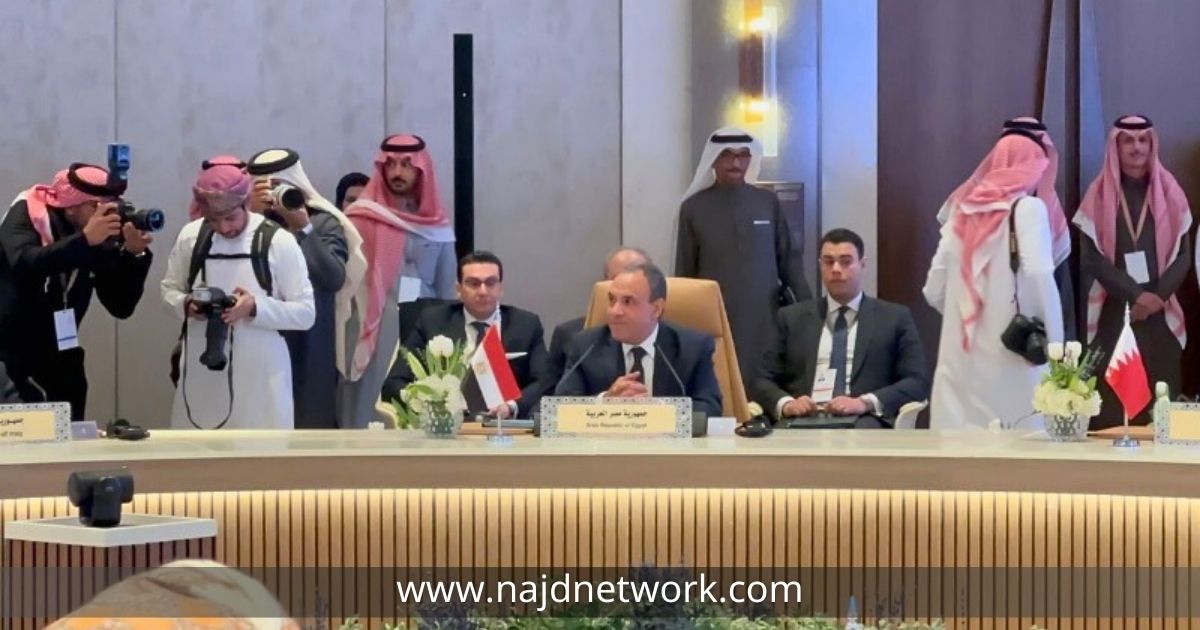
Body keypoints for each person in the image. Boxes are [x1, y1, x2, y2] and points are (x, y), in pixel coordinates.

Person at [923, 131, 1063, 428]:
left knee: (961, 454)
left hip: (959, 365)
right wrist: (1056, 344)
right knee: (1020, 452)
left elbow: (933, 290)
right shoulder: (1029, 209)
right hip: (1013, 360)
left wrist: (967, 318)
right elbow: (1039, 274)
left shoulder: (961, 211)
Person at [161, 163, 315, 429]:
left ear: (246, 203)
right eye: (213, 220)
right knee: (197, 449)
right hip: (201, 374)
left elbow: (306, 313)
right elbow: (168, 289)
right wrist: (186, 304)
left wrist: (255, 307)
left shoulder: (278, 241)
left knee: (259, 452)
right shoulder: (191, 237)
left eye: (230, 218)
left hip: (261, 378)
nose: (223, 227)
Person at [0, 163, 153, 420]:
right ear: (70, 206)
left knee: (69, 429)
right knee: (24, 434)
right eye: (97, 206)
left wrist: (134, 254)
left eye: (113, 205)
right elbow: (25, 263)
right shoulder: (27, 212)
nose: (108, 214)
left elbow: (120, 304)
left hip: (62, 351)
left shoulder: (102, 231)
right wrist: (85, 241)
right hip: (12, 350)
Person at [1075, 115, 1192, 428]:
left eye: (1143, 140)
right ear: (1116, 146)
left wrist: (1156, 298)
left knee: (1163, 393)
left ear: (1152, 145)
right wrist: (1136, 295)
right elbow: (1091, 257)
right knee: (1114, 404)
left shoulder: (1170, 191)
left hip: (1160, 313)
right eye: (1128, 140)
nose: (1136, 147)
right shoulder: (1098, 194)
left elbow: (1184, 257)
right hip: (1116, 311)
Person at [754, 229, 929, 428]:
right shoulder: (791, 318)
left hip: (864, 419)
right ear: (820, 265)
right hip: (802, 418)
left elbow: (917, 381)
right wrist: (787, 404)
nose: (836, 269)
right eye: (828, 262)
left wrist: (865, 402)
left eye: (846, 262)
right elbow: (762, 379)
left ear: (862, 264)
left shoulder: (894, 318)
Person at [675, 127, 810, 383]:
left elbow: (790, 262)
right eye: (727, 155)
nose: (735, 163)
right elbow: (685, 272)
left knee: (764, 382)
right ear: (713, 159)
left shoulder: (767, 202)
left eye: (742, 155)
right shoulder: (693, 208)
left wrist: (808, 312)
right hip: (715, 317)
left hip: (764, 316)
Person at [341, 134, 457, 427]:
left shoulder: (438, 226)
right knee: (366, 406)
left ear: (421, 170)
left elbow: (446, 289)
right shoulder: (359, 218)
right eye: (390, 164)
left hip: (422, 327)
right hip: (372, 327)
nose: (397, 173)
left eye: (406, 165)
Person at [247, 148, 367, 429]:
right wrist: (251, 215)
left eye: (280, 186)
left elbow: (333, 278)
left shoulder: (323, 221)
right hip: (256, 337)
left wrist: (303, 228)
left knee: (308, 424)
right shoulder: (244, 224)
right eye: (267, 188)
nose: (274, 195)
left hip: (310, 344)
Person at [937, 117, 1076, 339]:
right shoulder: (1033, 211)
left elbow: (1060, 289)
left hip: (1004, 336)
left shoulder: (966, 208)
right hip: (1014, 338)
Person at [382, 251, 548, 419]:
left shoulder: (525, 324)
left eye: (491, 283)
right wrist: (431, 404)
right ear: (459, 289)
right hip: (447, 425)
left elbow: (544, 382)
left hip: (506, 426)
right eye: (473, 284)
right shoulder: (433, 322)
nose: (483, 291)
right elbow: (394, 384)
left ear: (501, 289)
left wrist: (511, 406)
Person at [555, 262, 723, 418]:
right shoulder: (586, 345)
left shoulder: (692, 347)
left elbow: (710, 408)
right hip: (606, 439)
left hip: (665, 440)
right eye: (612, 300)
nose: (615, 311)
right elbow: (560, 408)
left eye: (628, 301)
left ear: (656, 309)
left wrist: (657, 409)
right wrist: (605, 402)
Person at [545, 246, 651, 391]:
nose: (626, 286)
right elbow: (551, 400)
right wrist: (605, 400)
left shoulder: (680, 342)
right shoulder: (573, 338)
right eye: (617, 279)